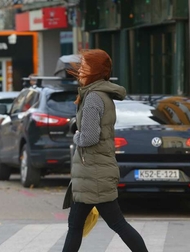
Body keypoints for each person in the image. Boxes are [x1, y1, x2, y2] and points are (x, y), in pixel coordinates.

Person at [62, 49, 148, 252]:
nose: (81, 69)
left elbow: (89, 138)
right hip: (93, 174)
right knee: (79, 225)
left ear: (95, 71)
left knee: (113, 223)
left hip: (94, 175)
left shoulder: (93, 98)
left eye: (85, 66)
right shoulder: (98, 95)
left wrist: (75, 134)